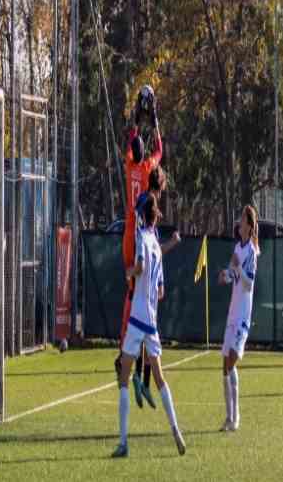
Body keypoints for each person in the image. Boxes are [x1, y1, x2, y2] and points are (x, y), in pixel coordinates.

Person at [112, 193, 186, 458]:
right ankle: (176, 429)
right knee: (159, 378)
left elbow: (140, 267)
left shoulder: (143, 238)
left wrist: (129, 272)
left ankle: (123, 443)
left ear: (143, 215)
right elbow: (162, 290)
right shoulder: (156, 243)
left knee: (123, 378)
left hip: (137, 317)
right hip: (152, 320)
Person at [115, 85, 162, 392]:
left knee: (134, 290)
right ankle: (136, 365)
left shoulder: (130, 164)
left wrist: (135, 115)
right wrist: (153, 117)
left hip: (128, 234)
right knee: (143, 296)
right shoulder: (145, 168)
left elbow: (131, 141)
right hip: (142, 234)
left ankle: (130, 357)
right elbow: (159, 150)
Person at [131, 166, 181, 410]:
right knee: (146, 331)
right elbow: (151, 245)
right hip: (143, 271)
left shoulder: (145, 203)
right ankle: (139, 378)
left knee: (146, 332)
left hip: (147, 271)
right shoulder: (147, 204)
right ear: (160, 186)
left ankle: (144, 381)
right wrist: (171, 243)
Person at [218, 205, 259, 432]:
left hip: (243, 314)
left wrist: (238, 269)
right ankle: (229, 417)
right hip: (232, 313)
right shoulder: (237, 247)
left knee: (232, 360)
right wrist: (224, 275)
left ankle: (237, 415)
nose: (239, 223)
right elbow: (232, 272)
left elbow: (249, 282)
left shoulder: (252, 251)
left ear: (249, 226)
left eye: (242, 220)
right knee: (224, 366)